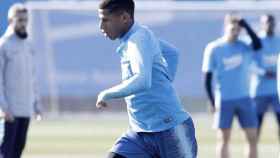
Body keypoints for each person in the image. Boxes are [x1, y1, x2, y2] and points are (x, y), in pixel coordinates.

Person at [96, 0, 197, 157]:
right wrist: (163, 82)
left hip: (170, 130)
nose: (101, 27)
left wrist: (106, 94)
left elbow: (142, 80)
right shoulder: (138, 36)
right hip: (140, 133)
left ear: (124, 17)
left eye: (105, 20)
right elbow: (172, 53)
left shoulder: (138, 39)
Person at [202, 13, 262, 158]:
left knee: (252, 138)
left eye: (237, 29)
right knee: (223, 139)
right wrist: (211, 100)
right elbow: (207, 78)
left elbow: (258, 44)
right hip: (224, 99)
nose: (235, 32)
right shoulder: (214, 48)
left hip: (245, 98)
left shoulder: (244, 45)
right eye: (232, 29)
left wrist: (245, 24)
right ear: (225, 27)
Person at [0, 3, 42, 158]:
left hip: (25, 109)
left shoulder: (29, 44)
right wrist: (3, 107)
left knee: (17, 152)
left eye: (26, 20)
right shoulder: (3, 45)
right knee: (6, 152)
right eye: (20, 20)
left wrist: (36, 104)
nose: (24, 23)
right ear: (11, 21)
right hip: (9, 111)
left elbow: (32, 77)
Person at [250, 14, 280, 141]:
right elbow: (249, 63)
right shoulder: (256, 41)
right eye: (267, 22)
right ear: (262, 24)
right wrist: (264, 72)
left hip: (277, 91)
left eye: (272, 22)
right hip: (260, 90)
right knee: (257, 124)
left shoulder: (278, 40)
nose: (270, 25)